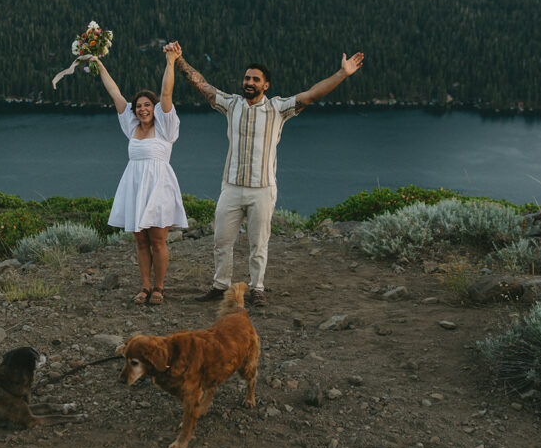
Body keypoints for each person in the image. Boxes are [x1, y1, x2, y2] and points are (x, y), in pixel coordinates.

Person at [164, 41, 364, 306]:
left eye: (255, 79)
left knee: (259, 244)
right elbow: (201, 85)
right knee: (221, 240)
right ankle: (220, 286)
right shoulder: (231, 104)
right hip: (231, 188)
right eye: (247, 78)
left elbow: (313, 94)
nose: (249, 82)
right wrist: (178, 60)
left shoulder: (278, 109)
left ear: (265, 85)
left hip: (263, 189)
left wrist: (342, 74)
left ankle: (257, 288)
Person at [91, 48, 188, 305]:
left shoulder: (165, 127)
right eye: (139, 106)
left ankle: (159, 287)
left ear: (154, 108)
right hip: (135, 186)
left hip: (159, 187)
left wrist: (171, 61)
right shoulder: (131, 126)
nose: (143, 109)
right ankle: (144, 287)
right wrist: (98, 64)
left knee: (158, 241)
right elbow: (115, 93)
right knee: (141, 241)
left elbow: (166, 92)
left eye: (147, 105)